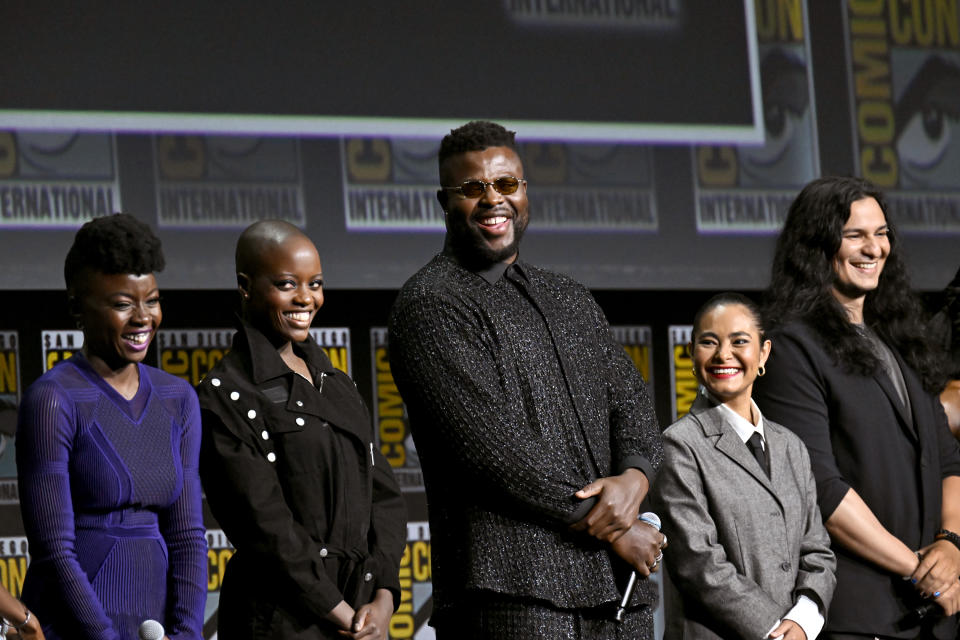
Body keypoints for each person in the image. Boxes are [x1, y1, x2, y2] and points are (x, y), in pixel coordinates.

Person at [388, 120, 665, 639]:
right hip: (511, 600)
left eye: (507, 184)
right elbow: (491, 451)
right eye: (473, 189)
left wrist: (636, 478)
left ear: (524, 190)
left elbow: (632, 403)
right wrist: (614, 528)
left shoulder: (569, 297)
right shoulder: (430, 304)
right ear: (443, 202)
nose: (494, 200)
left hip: (619, 598)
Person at [753, 176, 960, 638]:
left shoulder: (903, 343)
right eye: (855, 235)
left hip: (932, 617)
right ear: (817, 245)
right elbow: (819, 487)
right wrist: (920, 569)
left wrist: (951, 546)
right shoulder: (791, 347)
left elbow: (948, 460)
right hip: (856, 614)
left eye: (881, 233)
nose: (874, 248)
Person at [196, 221, 406, 639]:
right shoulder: (224, 395)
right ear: (245, 285)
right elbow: (266, 527)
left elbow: (382, 495)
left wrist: (383, 599)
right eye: (287, 284)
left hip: (362, 614)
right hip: (282, 621)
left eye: (316, 283)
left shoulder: (337, 383)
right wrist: (345, 616)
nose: (305, 298)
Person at [16, 214, 207, 639]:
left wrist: (188, 632)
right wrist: (102, 635)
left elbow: (189, 536)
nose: (143, 317)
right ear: (77, 309)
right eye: (123, 304)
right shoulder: (53, 399)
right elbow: (54, 550)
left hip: (155, 622)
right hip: (72, 626)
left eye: (152, 300)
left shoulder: (179, 399)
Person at [651, 293, 835, 640]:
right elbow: (698, 563)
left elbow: (817, 550)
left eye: (739, 341)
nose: (724, 354)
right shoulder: (679, 444)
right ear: (691, 352)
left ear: (763, 353)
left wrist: (804, 621)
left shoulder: (791, 446)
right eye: (709, 342)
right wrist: (776, 630)